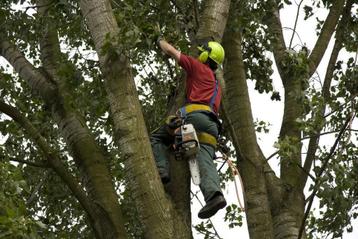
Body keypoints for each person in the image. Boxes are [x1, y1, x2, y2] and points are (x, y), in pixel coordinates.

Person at [150, 37, 226, 219]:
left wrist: (159, 40)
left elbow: (171, 51)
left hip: (194, 118)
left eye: (202, 53)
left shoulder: (198, 67)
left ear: (207, 56)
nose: (199, 55)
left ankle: (162, 170)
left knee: (157, 138)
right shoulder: (217, 85)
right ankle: (214, 195)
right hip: (211, 127)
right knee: (204, 159)